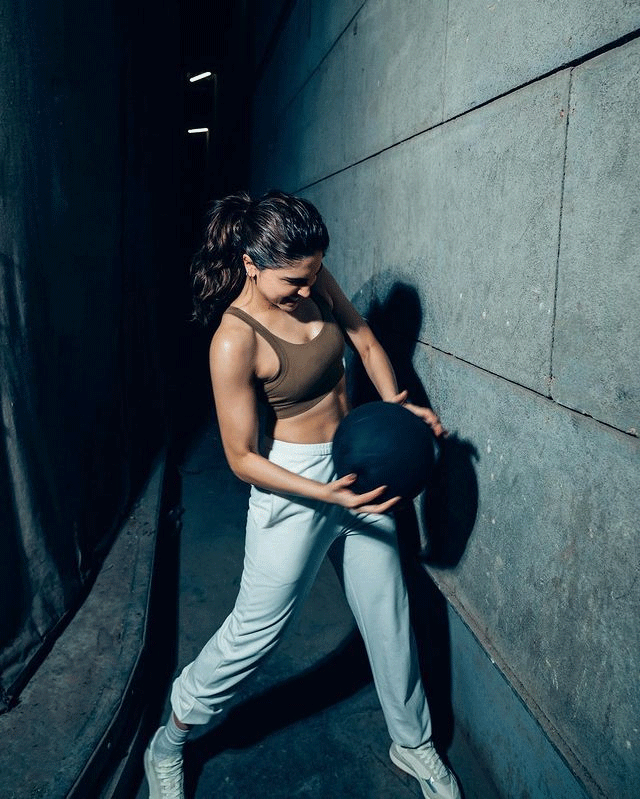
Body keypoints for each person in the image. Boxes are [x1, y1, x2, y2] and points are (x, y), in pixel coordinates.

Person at [143, 190, 461, 799]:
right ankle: (171, 738)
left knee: (389, 610)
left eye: (313, 275)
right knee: (254, 633)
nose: (307, 289)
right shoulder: (233, 341)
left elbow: (365, 341)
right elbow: (242, 459)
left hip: (357, 459)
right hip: (294, 482)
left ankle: (412, 742)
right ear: (250, 265)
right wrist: (325, 496)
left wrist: (395, 411)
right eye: (292, 281)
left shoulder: (309, 274)